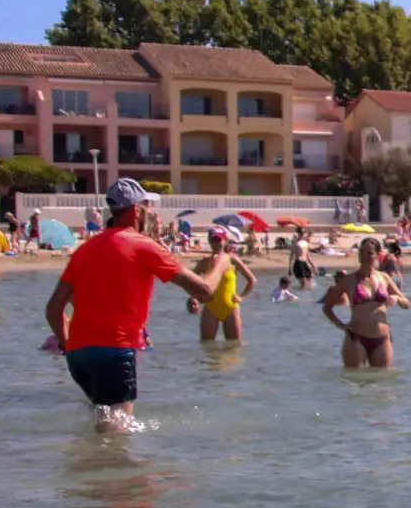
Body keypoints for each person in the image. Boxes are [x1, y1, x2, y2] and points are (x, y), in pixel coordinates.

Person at [43, 179, 222, 427]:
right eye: (147, 206)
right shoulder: (144, 246)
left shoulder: (85, 249)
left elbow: (53, 310)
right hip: (115, 349)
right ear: (137, 210)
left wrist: (67, 346)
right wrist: (220, 265)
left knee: (102, 423)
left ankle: (89, 464)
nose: (150, 212)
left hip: (78, 355)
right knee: (117, 432)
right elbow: (204, 291)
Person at [321, 237, 410, 368]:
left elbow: (406, 303)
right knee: (355, 382)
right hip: (356, 337)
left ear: (377, 255)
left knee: (382, 381)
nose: (363, 256)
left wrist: (396, 299)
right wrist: (341, 326)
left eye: (369, 253)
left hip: (382, 338)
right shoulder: (348, 280)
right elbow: (327, 307)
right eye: (361, 252)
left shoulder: (384, 277)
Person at [193, 227, 257, 342]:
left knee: (233, 347)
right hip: (211, 307)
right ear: (209, 241)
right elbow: (190, 281)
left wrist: (241, 296)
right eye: (213, 240)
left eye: (218, 240)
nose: (216, 243)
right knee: (207, 346)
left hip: (230, 307)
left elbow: (252, 280)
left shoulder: (233, 260)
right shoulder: (204, 263)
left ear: (225, 240)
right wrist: (196, 298)